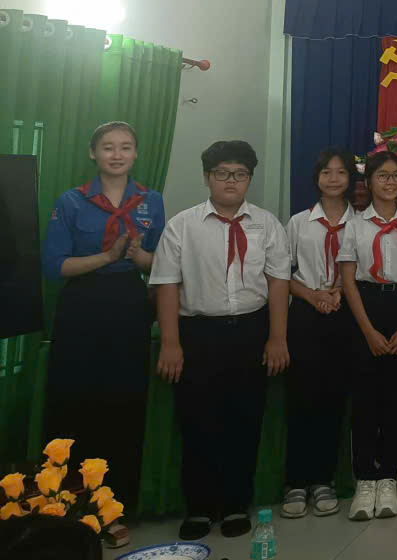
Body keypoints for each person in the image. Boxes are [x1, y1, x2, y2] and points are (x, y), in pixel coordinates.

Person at [150, 140, 291, 542]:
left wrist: (277, 338)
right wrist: (171, 343)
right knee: (197, 420)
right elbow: (166, 284)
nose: (231, 181)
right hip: (199, 334)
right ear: (207, 177)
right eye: (222, 173)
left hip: (250, 331)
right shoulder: (183, 225)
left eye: (240, 174)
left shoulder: (267, 224)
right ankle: (199, 507)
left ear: (249, 179)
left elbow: (278, 283)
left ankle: (234, 505)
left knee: (244, 420)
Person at [42, 121, 163, 550]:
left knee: (124, 407)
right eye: (108, 147)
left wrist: (138, 255)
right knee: (74, 407)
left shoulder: (150, 201)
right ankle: (69, 510)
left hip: (128, 306)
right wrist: (108, 257)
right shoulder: (71, 201)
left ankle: (114, 509)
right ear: (93, 153)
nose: (117, 154)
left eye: (125, 147)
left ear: (135, 154)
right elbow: (54, 266)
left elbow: (160, 264)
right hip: (82, 307)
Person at [339, 151, 397, 521]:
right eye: (382, 176)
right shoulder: (355, 225)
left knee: (394, 397)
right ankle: (365, 478)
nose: (389, 182)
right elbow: (347, 280)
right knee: (364, 399)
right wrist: (367, 330)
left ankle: (388, 475)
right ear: (368, 183)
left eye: (395, 176)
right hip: (365, 307)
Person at [280, 148, 356, 521]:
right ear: (317, 178)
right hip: (306, 315)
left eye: (340, 172)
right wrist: (312, 296)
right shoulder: (298, 222)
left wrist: (340, 292)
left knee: (333, 398)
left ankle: (324, 480)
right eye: (327, 172)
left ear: (350, 179)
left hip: (346, 313)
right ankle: (296, 481)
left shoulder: (361, 222)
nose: (333, 178)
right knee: (302, 397)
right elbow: (281, 272)